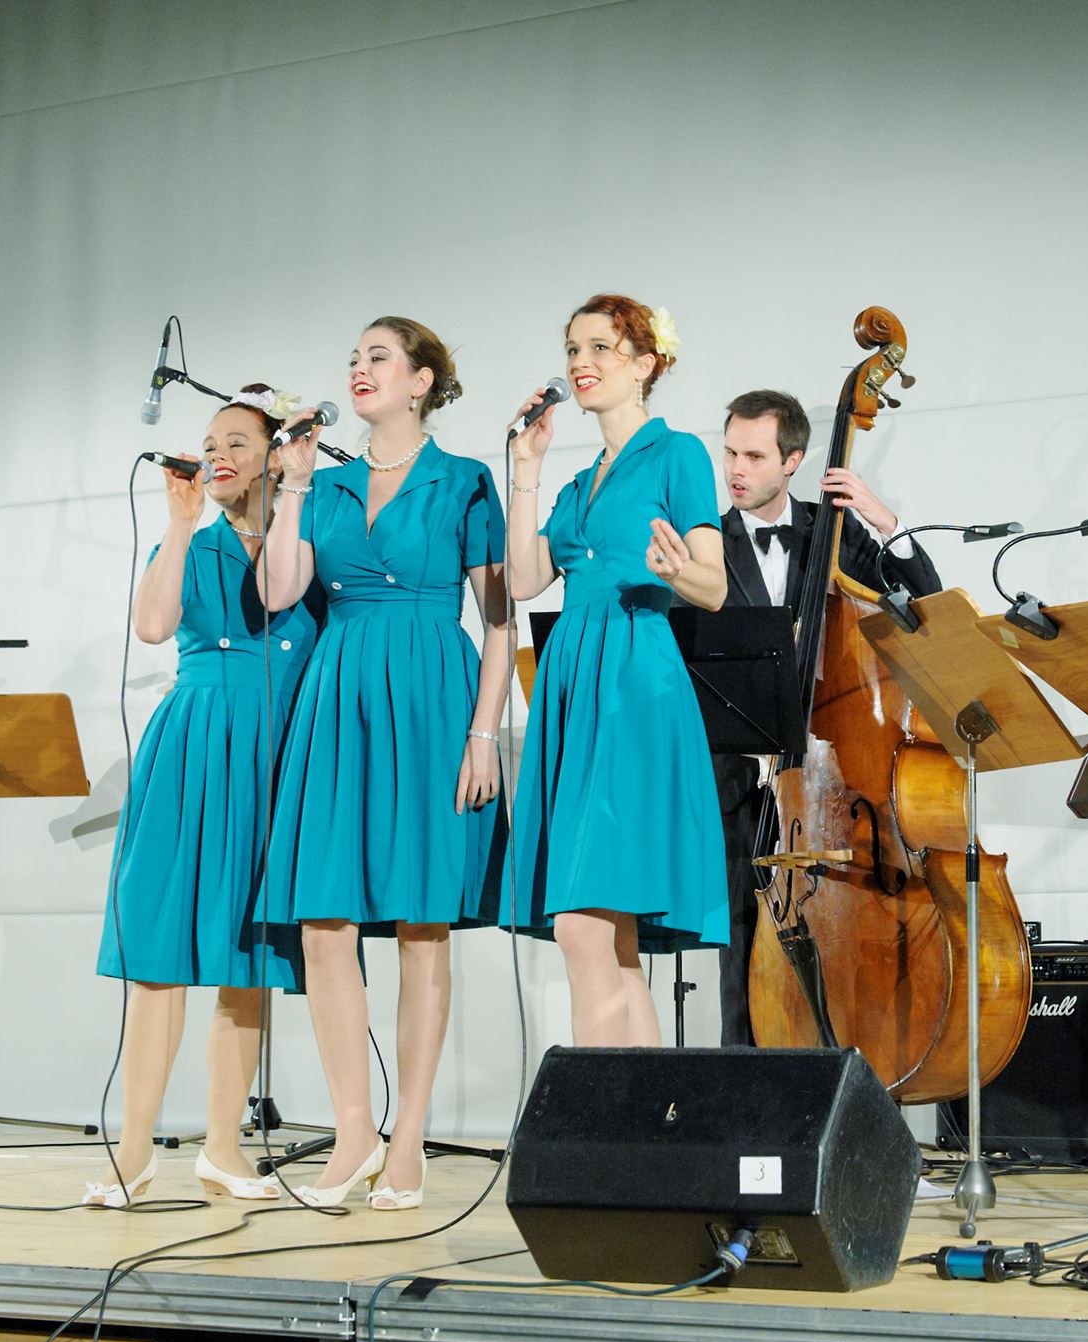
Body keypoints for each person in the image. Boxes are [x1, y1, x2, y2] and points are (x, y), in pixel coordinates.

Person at [257, 317, 510, 1210]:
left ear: (421, 380)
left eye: (378, 358)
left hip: (433, 702)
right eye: (353, 358)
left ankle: (410, 1138)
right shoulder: (322, 488)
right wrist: (288, 488)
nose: (359, 371)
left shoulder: (466, 481)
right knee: (324, 920)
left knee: (419, 923)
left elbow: (499, 619)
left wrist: (486, 736)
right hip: (338, 698)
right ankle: (354, 1128)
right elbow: (279, 591)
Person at [89, 387, 321, 1207]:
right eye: (209, 440)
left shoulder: (307, 528)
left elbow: (287, 596)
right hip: (193, 742)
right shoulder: (193, 536)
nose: (217, 454)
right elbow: (153, 625)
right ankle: (134, 1147)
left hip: (275, 750)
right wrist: (182, 521)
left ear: (275, 450)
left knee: (245, 960)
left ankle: (223, 1146)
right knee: (158, 955)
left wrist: (291, 493)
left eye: (236, 441)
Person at [502, 293, 728, 1047]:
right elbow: (526, 578)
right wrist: (524, 468)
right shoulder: (576, 483)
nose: (579, 363)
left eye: (599, 348)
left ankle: (601, 1125)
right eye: (572, 349)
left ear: (645, 363)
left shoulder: (678, 454)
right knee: (610, 933)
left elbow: (715, 584)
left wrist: (675, 569)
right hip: (574, 681)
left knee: (585, 922)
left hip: (635, 679)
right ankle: (644, 1132)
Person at [712, 389, 941, 1045]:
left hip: (833, 784)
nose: (736, 469)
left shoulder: (833, 533)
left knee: (846, 939)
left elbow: (925, 604)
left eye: (754, 455)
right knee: (741, 945)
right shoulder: (705, 545)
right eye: (730, 452)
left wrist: (884, 521)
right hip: (738, 782)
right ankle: (742, 1104)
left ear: (794, 460)